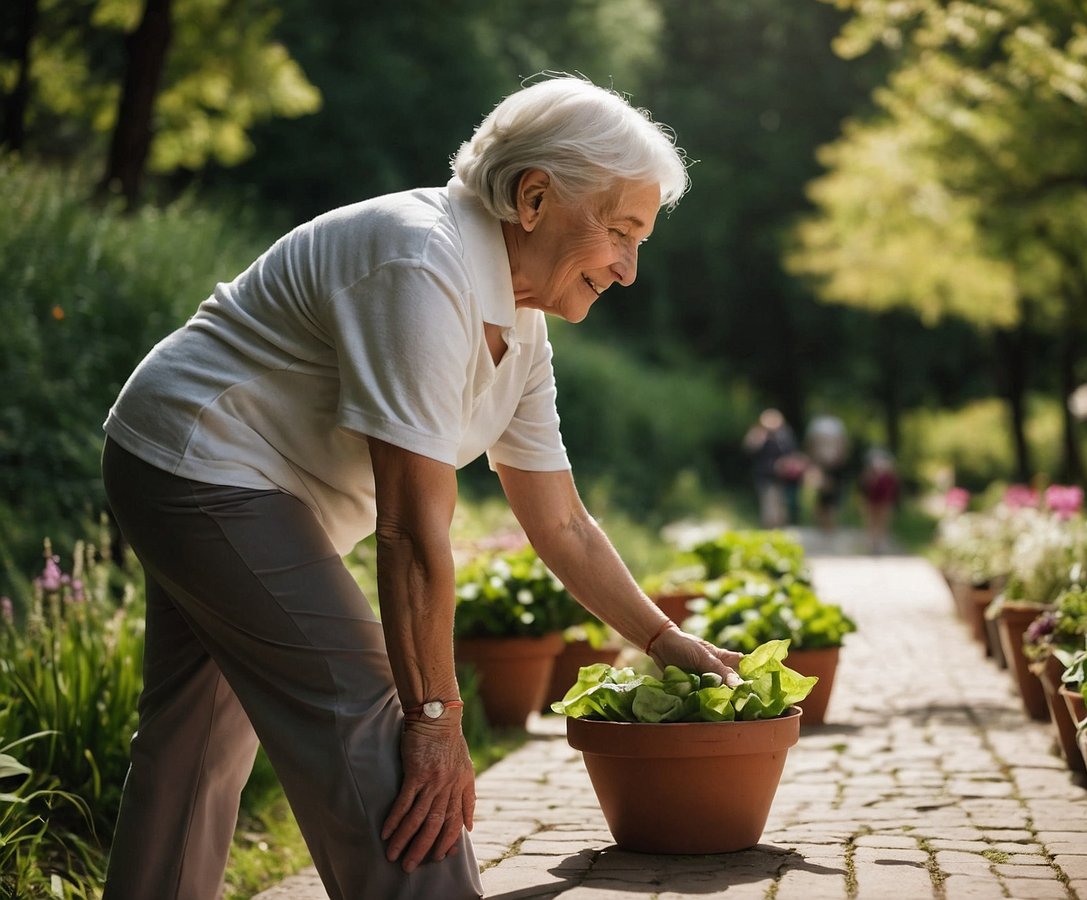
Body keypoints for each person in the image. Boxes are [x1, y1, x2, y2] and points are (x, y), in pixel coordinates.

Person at [99, 75, 743, 900]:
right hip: (202, 460)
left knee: (195, 748)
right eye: (620, 232)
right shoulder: (420, 261)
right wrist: (436, 720)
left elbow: (562, 521)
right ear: (534, 197)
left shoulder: (522, 323)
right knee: (372, 719)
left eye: (640, 240)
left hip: (240, 482)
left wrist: (663, 640)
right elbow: (409, 530)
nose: (627, 269)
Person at [742, 408, 804, 527]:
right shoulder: (758, 433)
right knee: (770, 508)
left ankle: (780, 533)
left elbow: (792, 453)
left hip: (784, 477)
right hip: (765, 476)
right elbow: (749, 449)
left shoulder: (785, 435)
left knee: (783, 509)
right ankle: (771, 533)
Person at [805, 414, 850, 533]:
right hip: (829, 465)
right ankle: (827, 525)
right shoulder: (837, 427)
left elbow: (810, 446)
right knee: (827, 497)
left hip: (827, 465)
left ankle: (826, 525)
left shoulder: (816, 427)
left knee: (826, 498)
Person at [859, 447, 900, 554]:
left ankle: (879, 543)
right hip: (871, 502)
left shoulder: (889, 475)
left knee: (882, 523)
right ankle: (872, 543)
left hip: (885, 502)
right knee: (871, 522)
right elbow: (864, 488)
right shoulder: (869, 474)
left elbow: (894, 489)